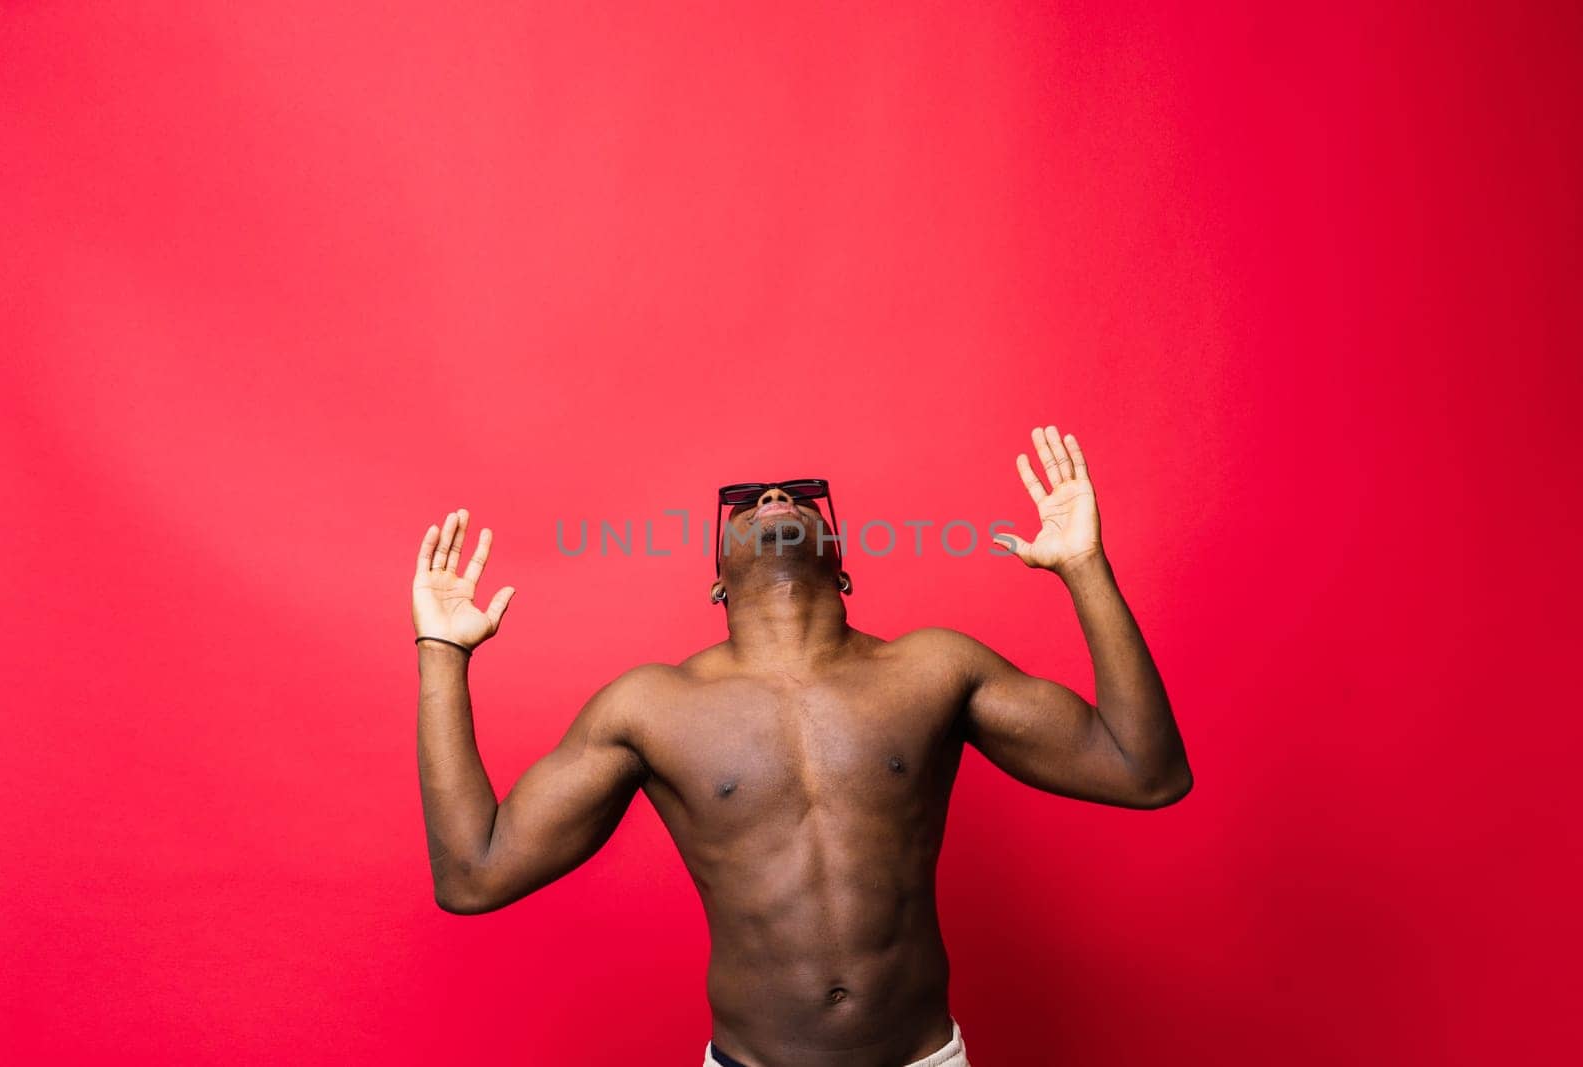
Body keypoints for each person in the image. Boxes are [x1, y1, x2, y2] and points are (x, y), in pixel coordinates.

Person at [411, 425, 1192, 1067]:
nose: (777, 499)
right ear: (717, 581)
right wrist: (441, 651)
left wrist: (1086, 567)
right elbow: (474, 873)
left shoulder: (933, 667)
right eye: (750, 503)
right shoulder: (652, 705)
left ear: (843, 567)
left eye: (795, 497)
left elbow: (1145, 769)